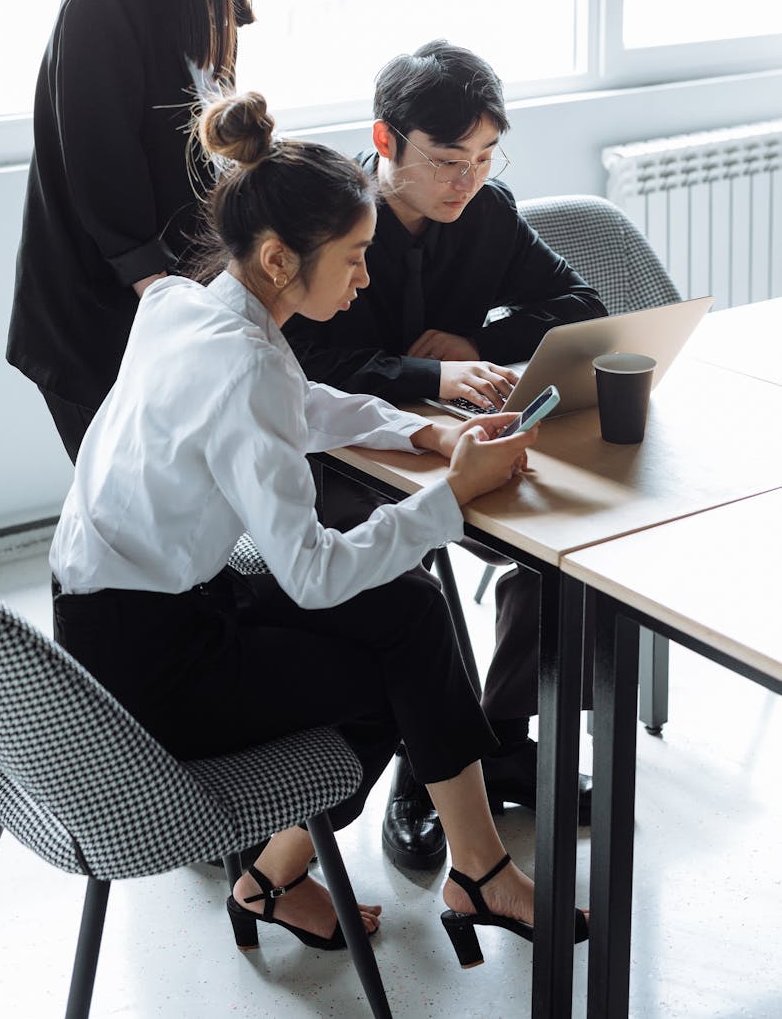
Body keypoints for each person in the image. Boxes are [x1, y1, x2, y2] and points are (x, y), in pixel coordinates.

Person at [49, 91, 588, 961]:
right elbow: (312, 573)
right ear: (275, 258)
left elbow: (293, 400)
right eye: (354, 258)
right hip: (149, 668)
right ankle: (278, 878)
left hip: (117, 610)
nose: (365, 279)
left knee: (407, 610)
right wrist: (448, 498)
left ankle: (475, 871)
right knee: (389, 682)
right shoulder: (242, 367)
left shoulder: (184, 304)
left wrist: (421, 429)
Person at [285, 40, 607, 870]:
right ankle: (425, 771)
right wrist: (431, 372)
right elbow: (313, 372)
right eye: (445, 160)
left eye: (484, 158)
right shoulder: (330, 215)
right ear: (385, 141)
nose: (466, 180)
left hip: (455, 442)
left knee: (565, 558)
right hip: (341, 453)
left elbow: (581, 301)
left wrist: (477, 341)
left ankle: (493, 737)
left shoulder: (488, 213)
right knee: (404, 588)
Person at [7, 0, 278, 462]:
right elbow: (104, 178)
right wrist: (173, 310)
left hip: (168, 304)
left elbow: (200, 155)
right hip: (97, 314)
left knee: (173, 517)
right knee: (121, 517)